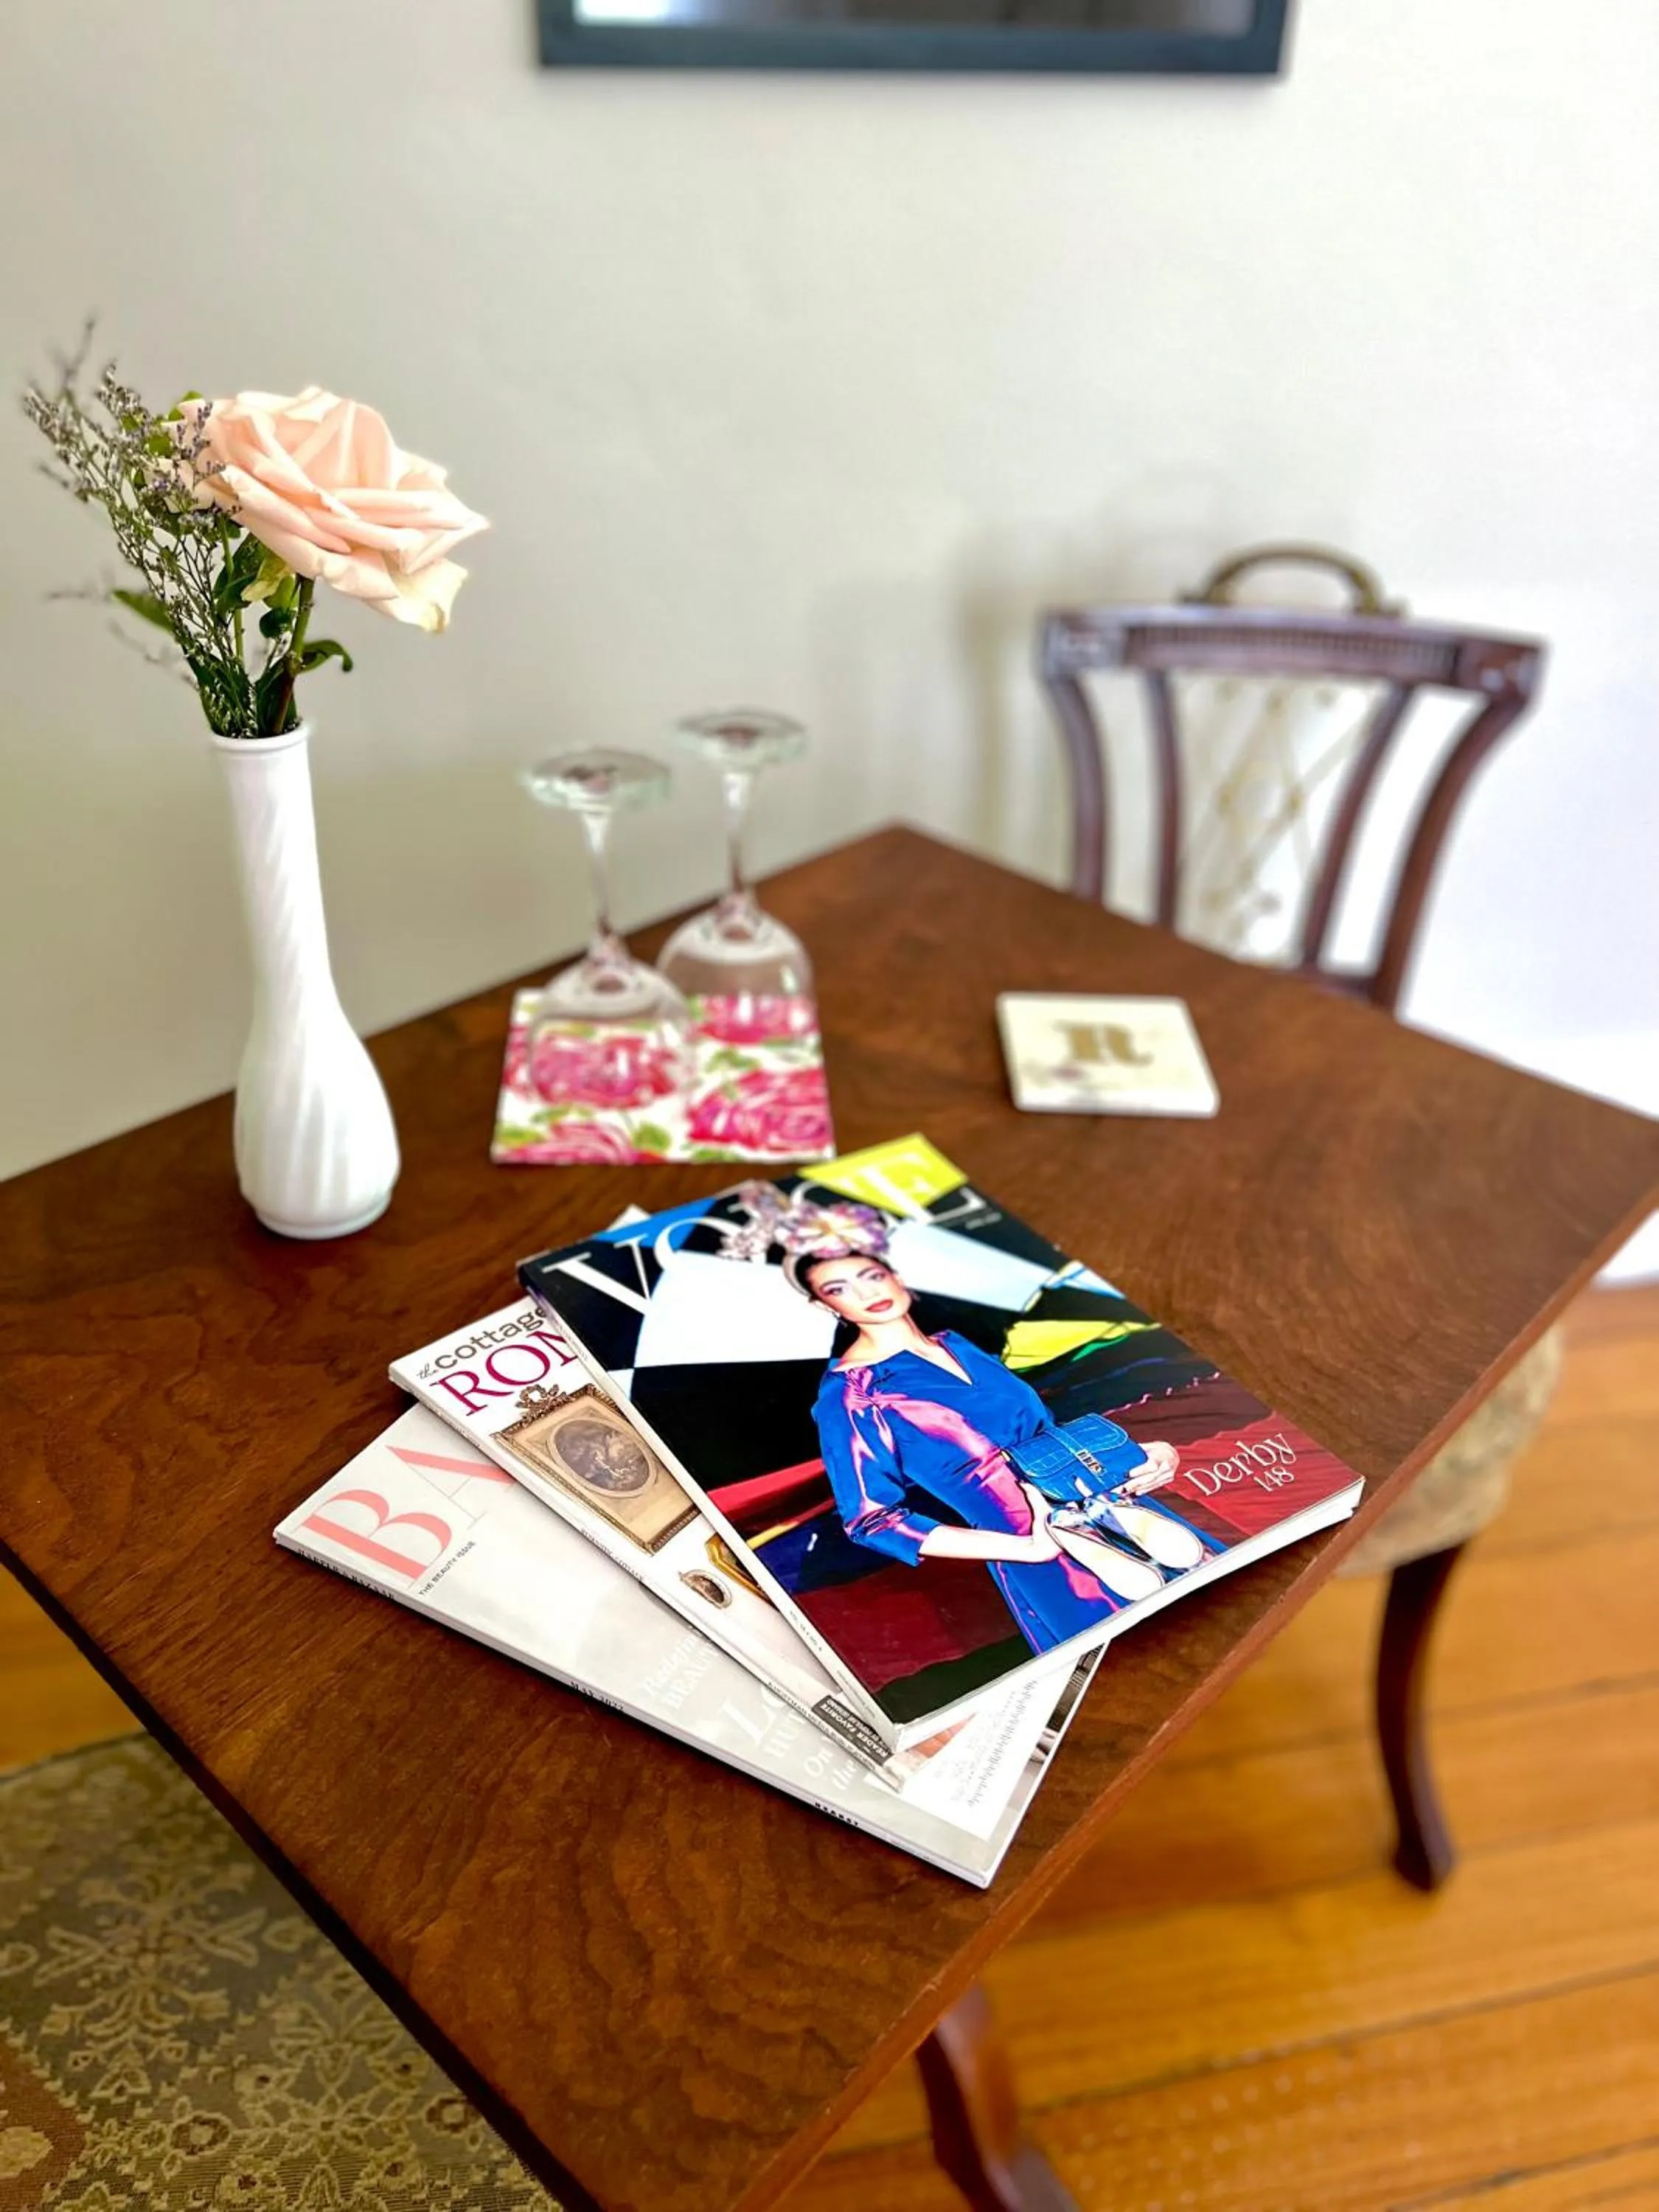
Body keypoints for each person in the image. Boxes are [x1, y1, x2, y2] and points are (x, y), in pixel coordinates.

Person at [787, 1238, 1205, 1656]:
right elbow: (872, 1520)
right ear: (824, 1306)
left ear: (896, 1278)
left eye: (872, 1276)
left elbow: (1048, 1438)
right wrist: (1027, 1549)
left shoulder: (955, 1343)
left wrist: (1142, 1457)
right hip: (1046, 1553)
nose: (866, 1294)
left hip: (1126, 1514)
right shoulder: (852, 1394)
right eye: (837, 1289)